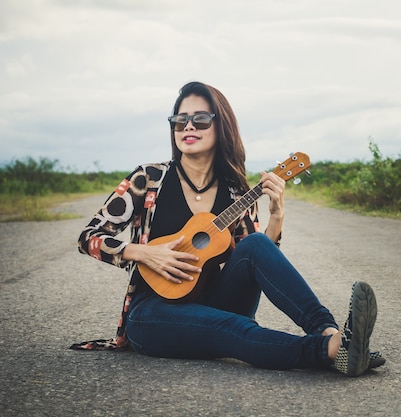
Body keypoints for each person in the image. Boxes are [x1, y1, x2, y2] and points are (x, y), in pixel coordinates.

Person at [73, 81, 384, 376]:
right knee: (237, 330)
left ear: (221, 126)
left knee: (255, 247)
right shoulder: (149, 178)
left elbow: (256, 262)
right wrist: (144, 253)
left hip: (215, 303)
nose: (189, 126)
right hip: (153, 314)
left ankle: (331, 332)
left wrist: (276, 216)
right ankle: (331, 351)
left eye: (200, 119)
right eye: (180, 120)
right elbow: (89, 237)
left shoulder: (236, 191)